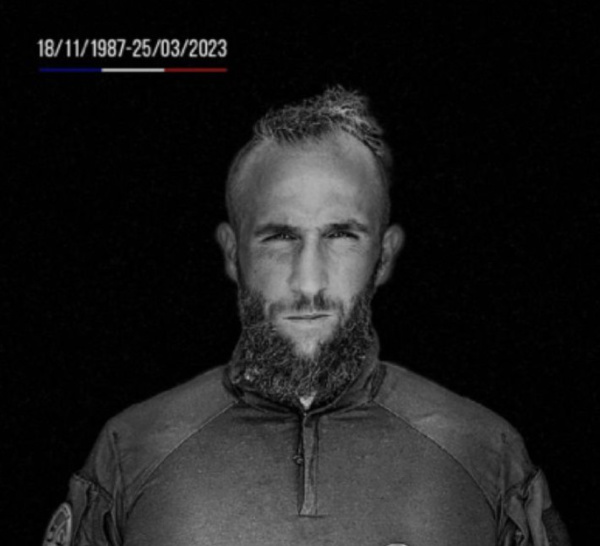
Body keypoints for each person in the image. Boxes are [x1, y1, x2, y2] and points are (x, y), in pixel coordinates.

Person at [43, 86, 569, 545]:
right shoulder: (131, 451)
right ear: (232, 253)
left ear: (384, 255)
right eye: (280, 237)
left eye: (341, 236)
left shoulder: (486, 453)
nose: (309, 281)